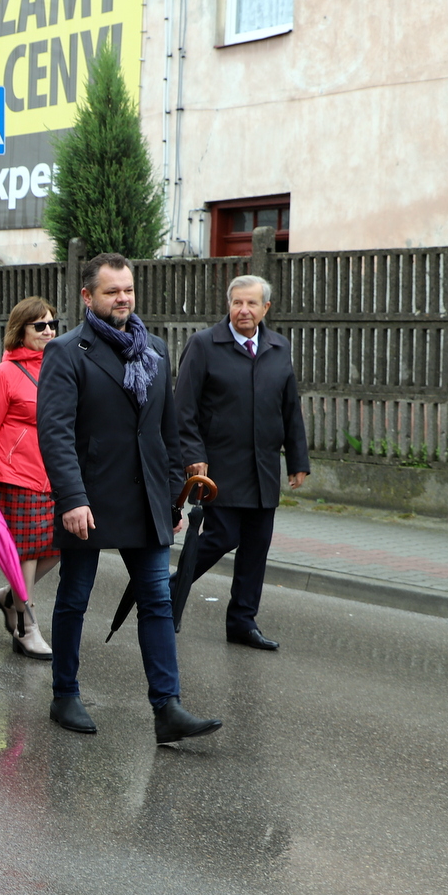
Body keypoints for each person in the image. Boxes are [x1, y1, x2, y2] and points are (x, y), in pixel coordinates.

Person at [36, 253, 223, 744]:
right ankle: (64, 694)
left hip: (145, 498)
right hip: (89, 499)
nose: (122, 299)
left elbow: (165, 432)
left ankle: (167, 708)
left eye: (128, 290)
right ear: (87, 297)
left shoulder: (155, 349)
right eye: (111, 291)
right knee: (74, 598)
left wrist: (171, 499)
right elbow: (55, 433)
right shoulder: (67, 351)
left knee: (158, 600)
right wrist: (72, 498)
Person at [174, 274, 310, 651]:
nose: (243, 310)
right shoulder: (204, 345)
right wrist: (193, 456)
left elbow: (289, 408)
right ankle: (167, 594)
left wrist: (297, 459)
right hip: (219, 467)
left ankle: (242, 621)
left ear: (265, 308)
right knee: (222, 536)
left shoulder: (278, 347)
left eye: (252, 303)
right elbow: (183, 409)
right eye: (237, 303)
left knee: (256, 544)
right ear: (228, 305)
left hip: (263, 468)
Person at [0, 297, 59, 660]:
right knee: (26, 554)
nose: (49, 331)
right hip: (15, 477)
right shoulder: (4, 374)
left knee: (58, 548)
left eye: (53, 324)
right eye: (40, 326)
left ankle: (10, 597)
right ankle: (27, 626)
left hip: (53, 477)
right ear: (20, 331)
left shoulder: (57, 368)